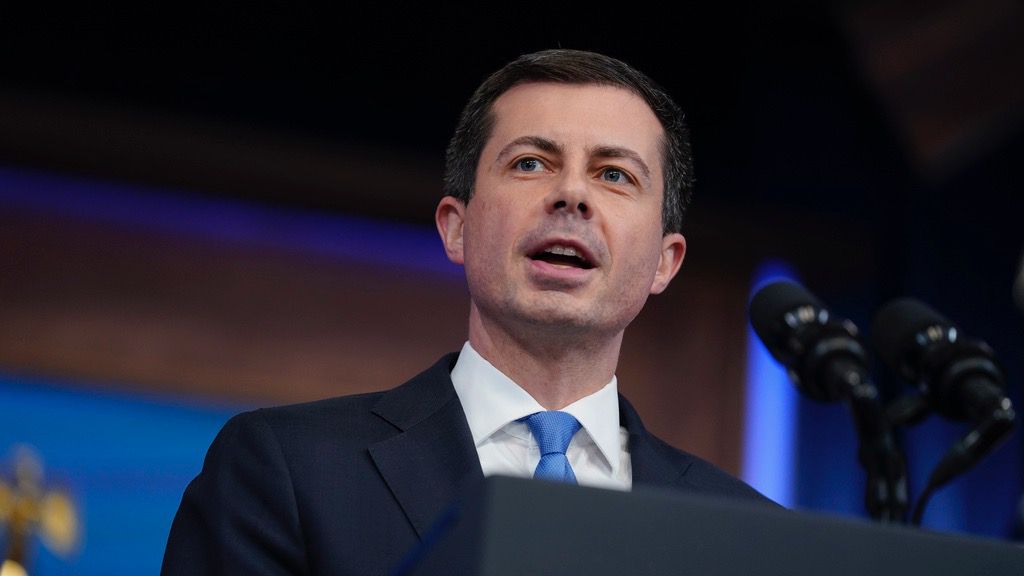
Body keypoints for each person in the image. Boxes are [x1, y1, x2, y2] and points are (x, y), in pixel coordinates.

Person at [161, 48, 774, 576]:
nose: (572, 194)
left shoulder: (747, 534)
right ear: (457, 228)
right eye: (530, 163)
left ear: (666, 262)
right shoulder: (288, 469)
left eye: (614, 174)